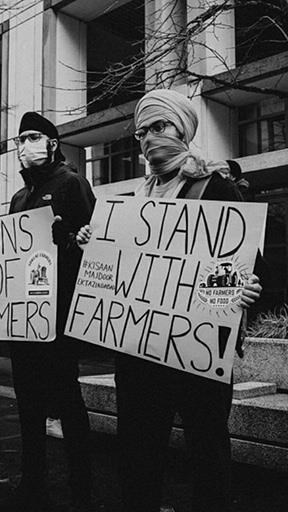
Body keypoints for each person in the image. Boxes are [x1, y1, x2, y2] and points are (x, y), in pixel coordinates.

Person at [76, 88, 263, 512]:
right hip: (140, 353)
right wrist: (96, 244)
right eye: (141, 132)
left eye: (158, 127)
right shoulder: (133, 200)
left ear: (182, 127)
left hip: (198, 349)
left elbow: (250, 262)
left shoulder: (216, 187)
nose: (147, 139)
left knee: (206, 450)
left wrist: (247, 285)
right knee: (138, 453)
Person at [0, 111, 96, 512]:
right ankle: (33, 481)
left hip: (58, 315)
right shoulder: (20, 197)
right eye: (20, 139)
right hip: (24, 316)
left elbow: (96, 246)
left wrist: (68, 241)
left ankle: (81, 484)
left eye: (33, 137)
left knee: (67, 400)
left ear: (52, 143)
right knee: (28, 404)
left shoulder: (72, 183)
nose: (25, 146)